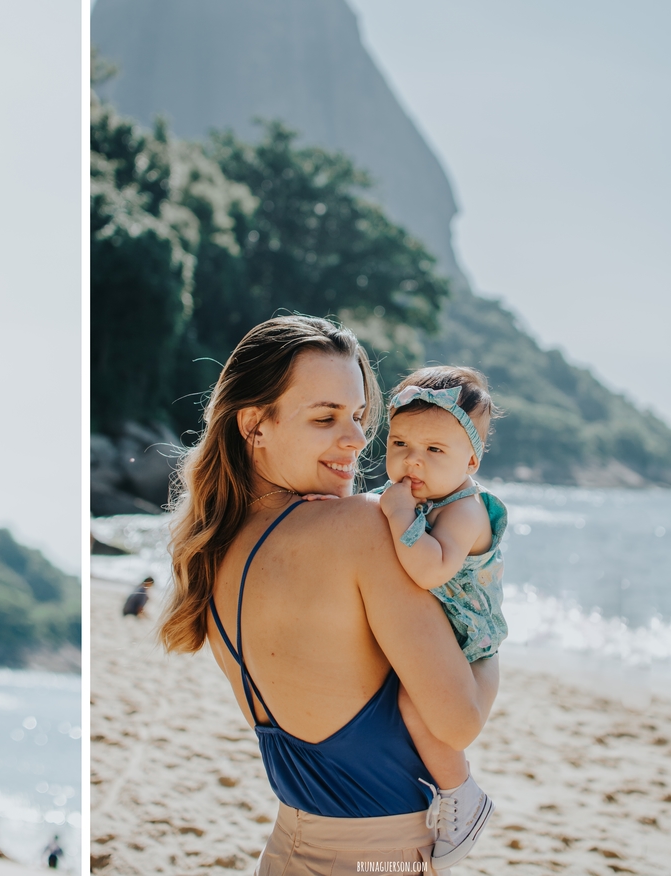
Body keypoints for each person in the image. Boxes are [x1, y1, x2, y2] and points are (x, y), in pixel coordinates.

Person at [161, 315, 499, 875]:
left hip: (287, 848)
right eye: (325, 418)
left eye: (360, 417)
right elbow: (458, 720)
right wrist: (487, 616)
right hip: (382, 858)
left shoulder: (210, 553)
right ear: (254, 426)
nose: (356, 439)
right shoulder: (361, 529)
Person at [374, 366, 507, 867]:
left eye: (434, 451)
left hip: (474, 649)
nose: (413, 462)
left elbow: (430, 570)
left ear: (470, 460)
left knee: (415, 705)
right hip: (442, 636)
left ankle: (463, 793)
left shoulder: (466, 511)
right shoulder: (421, 495)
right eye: (401, 444)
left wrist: (396, 515)